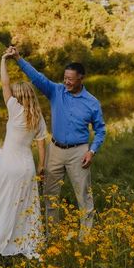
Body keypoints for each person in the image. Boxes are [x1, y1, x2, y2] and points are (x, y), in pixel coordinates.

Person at [6, 46, 106, 237]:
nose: (66, 81)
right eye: (65, 77)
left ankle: (86, 237)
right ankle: (53, 236)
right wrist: (18, 58)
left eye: (70, 79)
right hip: (55, 150)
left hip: (80, 152)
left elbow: (100, 130)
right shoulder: (55, 91)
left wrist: (91, 151)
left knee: (83, 196)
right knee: (50, 195)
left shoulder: (92, 102)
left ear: (81, 79)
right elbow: (37, 77)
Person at [0, 51, 47, 259]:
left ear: (18, 97)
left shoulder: (15, 109)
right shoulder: (38, 118)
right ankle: (23, 237)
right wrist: (42, 166)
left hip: (10, 165)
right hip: (27, 166)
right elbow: (42, 146)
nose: (11, 94)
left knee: (4, 201)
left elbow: (5, 84)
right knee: (26, 204)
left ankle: (1, 235)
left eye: (14, 93)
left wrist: (4, 60)